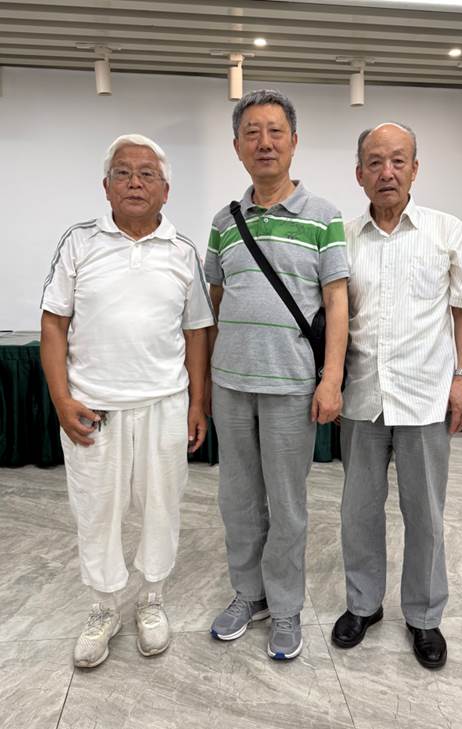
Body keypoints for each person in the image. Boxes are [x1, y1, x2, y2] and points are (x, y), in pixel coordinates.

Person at [40, 133, 214, 668]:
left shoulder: (183, 251)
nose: (135, 182)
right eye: (123, 173)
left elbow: (197, 331)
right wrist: (61, 399)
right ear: (106, 186)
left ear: (166, 190)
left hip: (165, 404)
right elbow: (53, 323)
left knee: (162, 507)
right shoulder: (78, 242)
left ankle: (152, 600)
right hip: (95, 407)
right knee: (96, 511)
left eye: (147, 174)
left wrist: (197, 404)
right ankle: (103, 607)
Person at [205, 89, 349, 660]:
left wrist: (331, 378)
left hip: (291, 385)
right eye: (252, 133)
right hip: (230, 384)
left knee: (287, 504)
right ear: (237, 146)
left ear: (293, 141)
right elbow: (216, 301)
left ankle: (286, 605)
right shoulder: (224, 221)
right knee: (237, 499)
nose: (263, 142)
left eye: (274, 132)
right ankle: (250, 594)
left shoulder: (324, 217)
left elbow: (337, 303)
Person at [331, 122, 462, 669]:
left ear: (416, 169)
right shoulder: (343, 237)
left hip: (425, 397)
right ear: (359, 174)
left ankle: (423, 614)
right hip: (362, 398)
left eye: (398, 161)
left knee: (426, 515)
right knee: (358, 512)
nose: (386, 172)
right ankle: (363, 605)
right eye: (375, 162)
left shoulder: (446, 230)